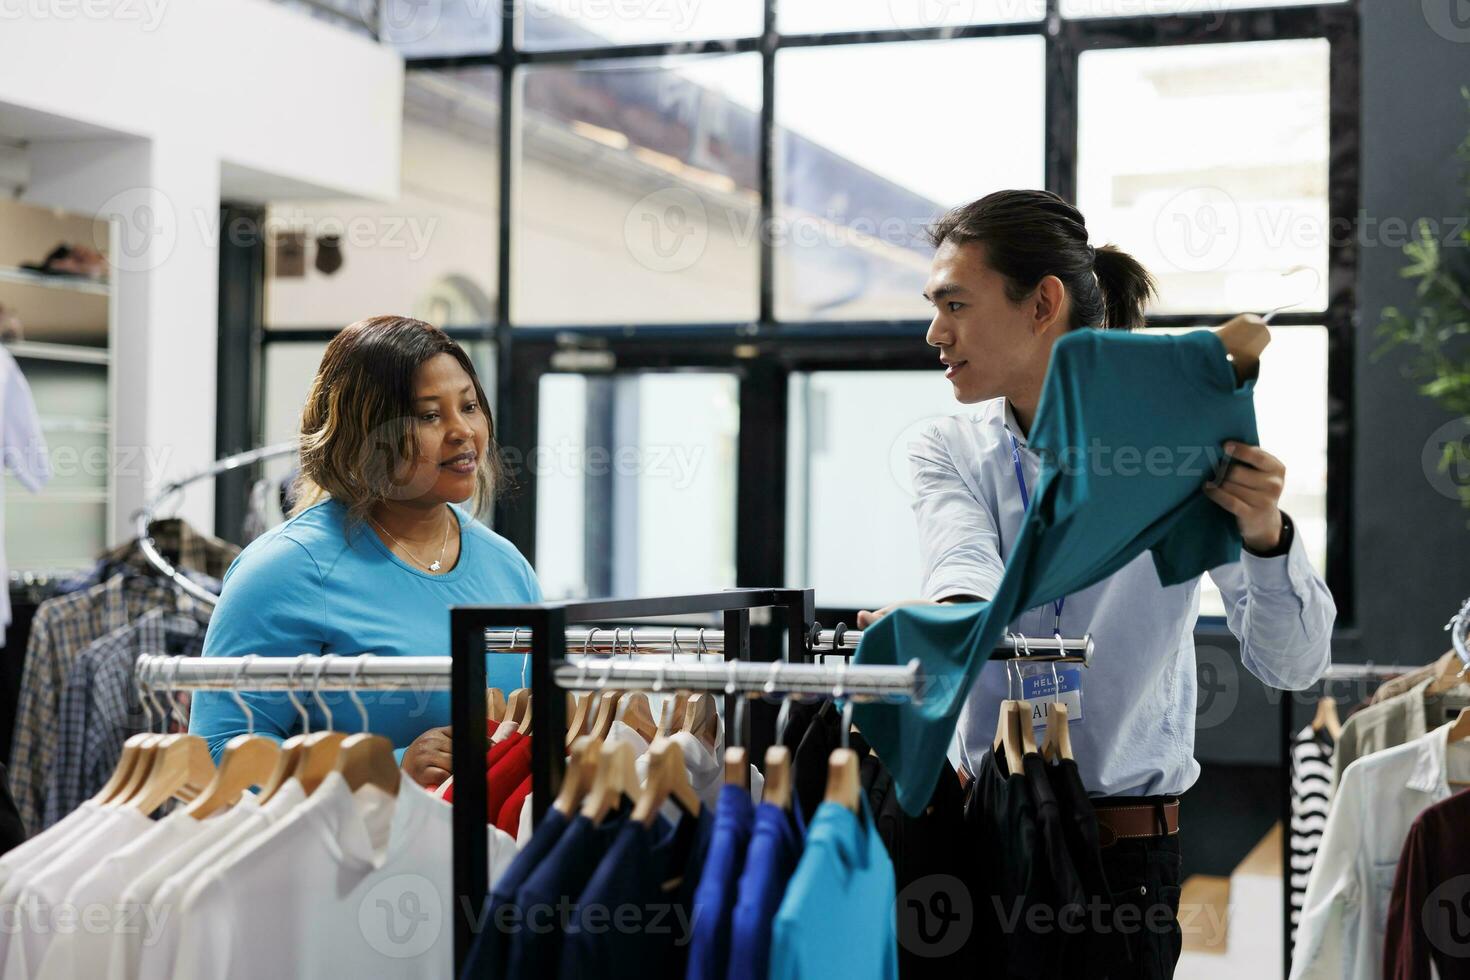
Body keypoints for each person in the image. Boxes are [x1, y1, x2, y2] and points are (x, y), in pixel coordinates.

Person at [857, 190, 1336, 978]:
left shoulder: (1181, 445)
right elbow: (966, 579)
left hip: (1123, 860)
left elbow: (1294, 666)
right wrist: (944, 624)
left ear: (1042, 302)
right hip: (973, 835)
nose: (934, 332)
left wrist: (1263, 536)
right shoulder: (947, 448)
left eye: (955, 304)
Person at [189, 315, 541, 788]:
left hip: (497, 856)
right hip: (353, 859)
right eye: (429, 415)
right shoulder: (285, 570)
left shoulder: (507, 566)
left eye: (470, 406)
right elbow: (218, 755)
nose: (462, 432)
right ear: (363, 432)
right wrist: (390, 769)